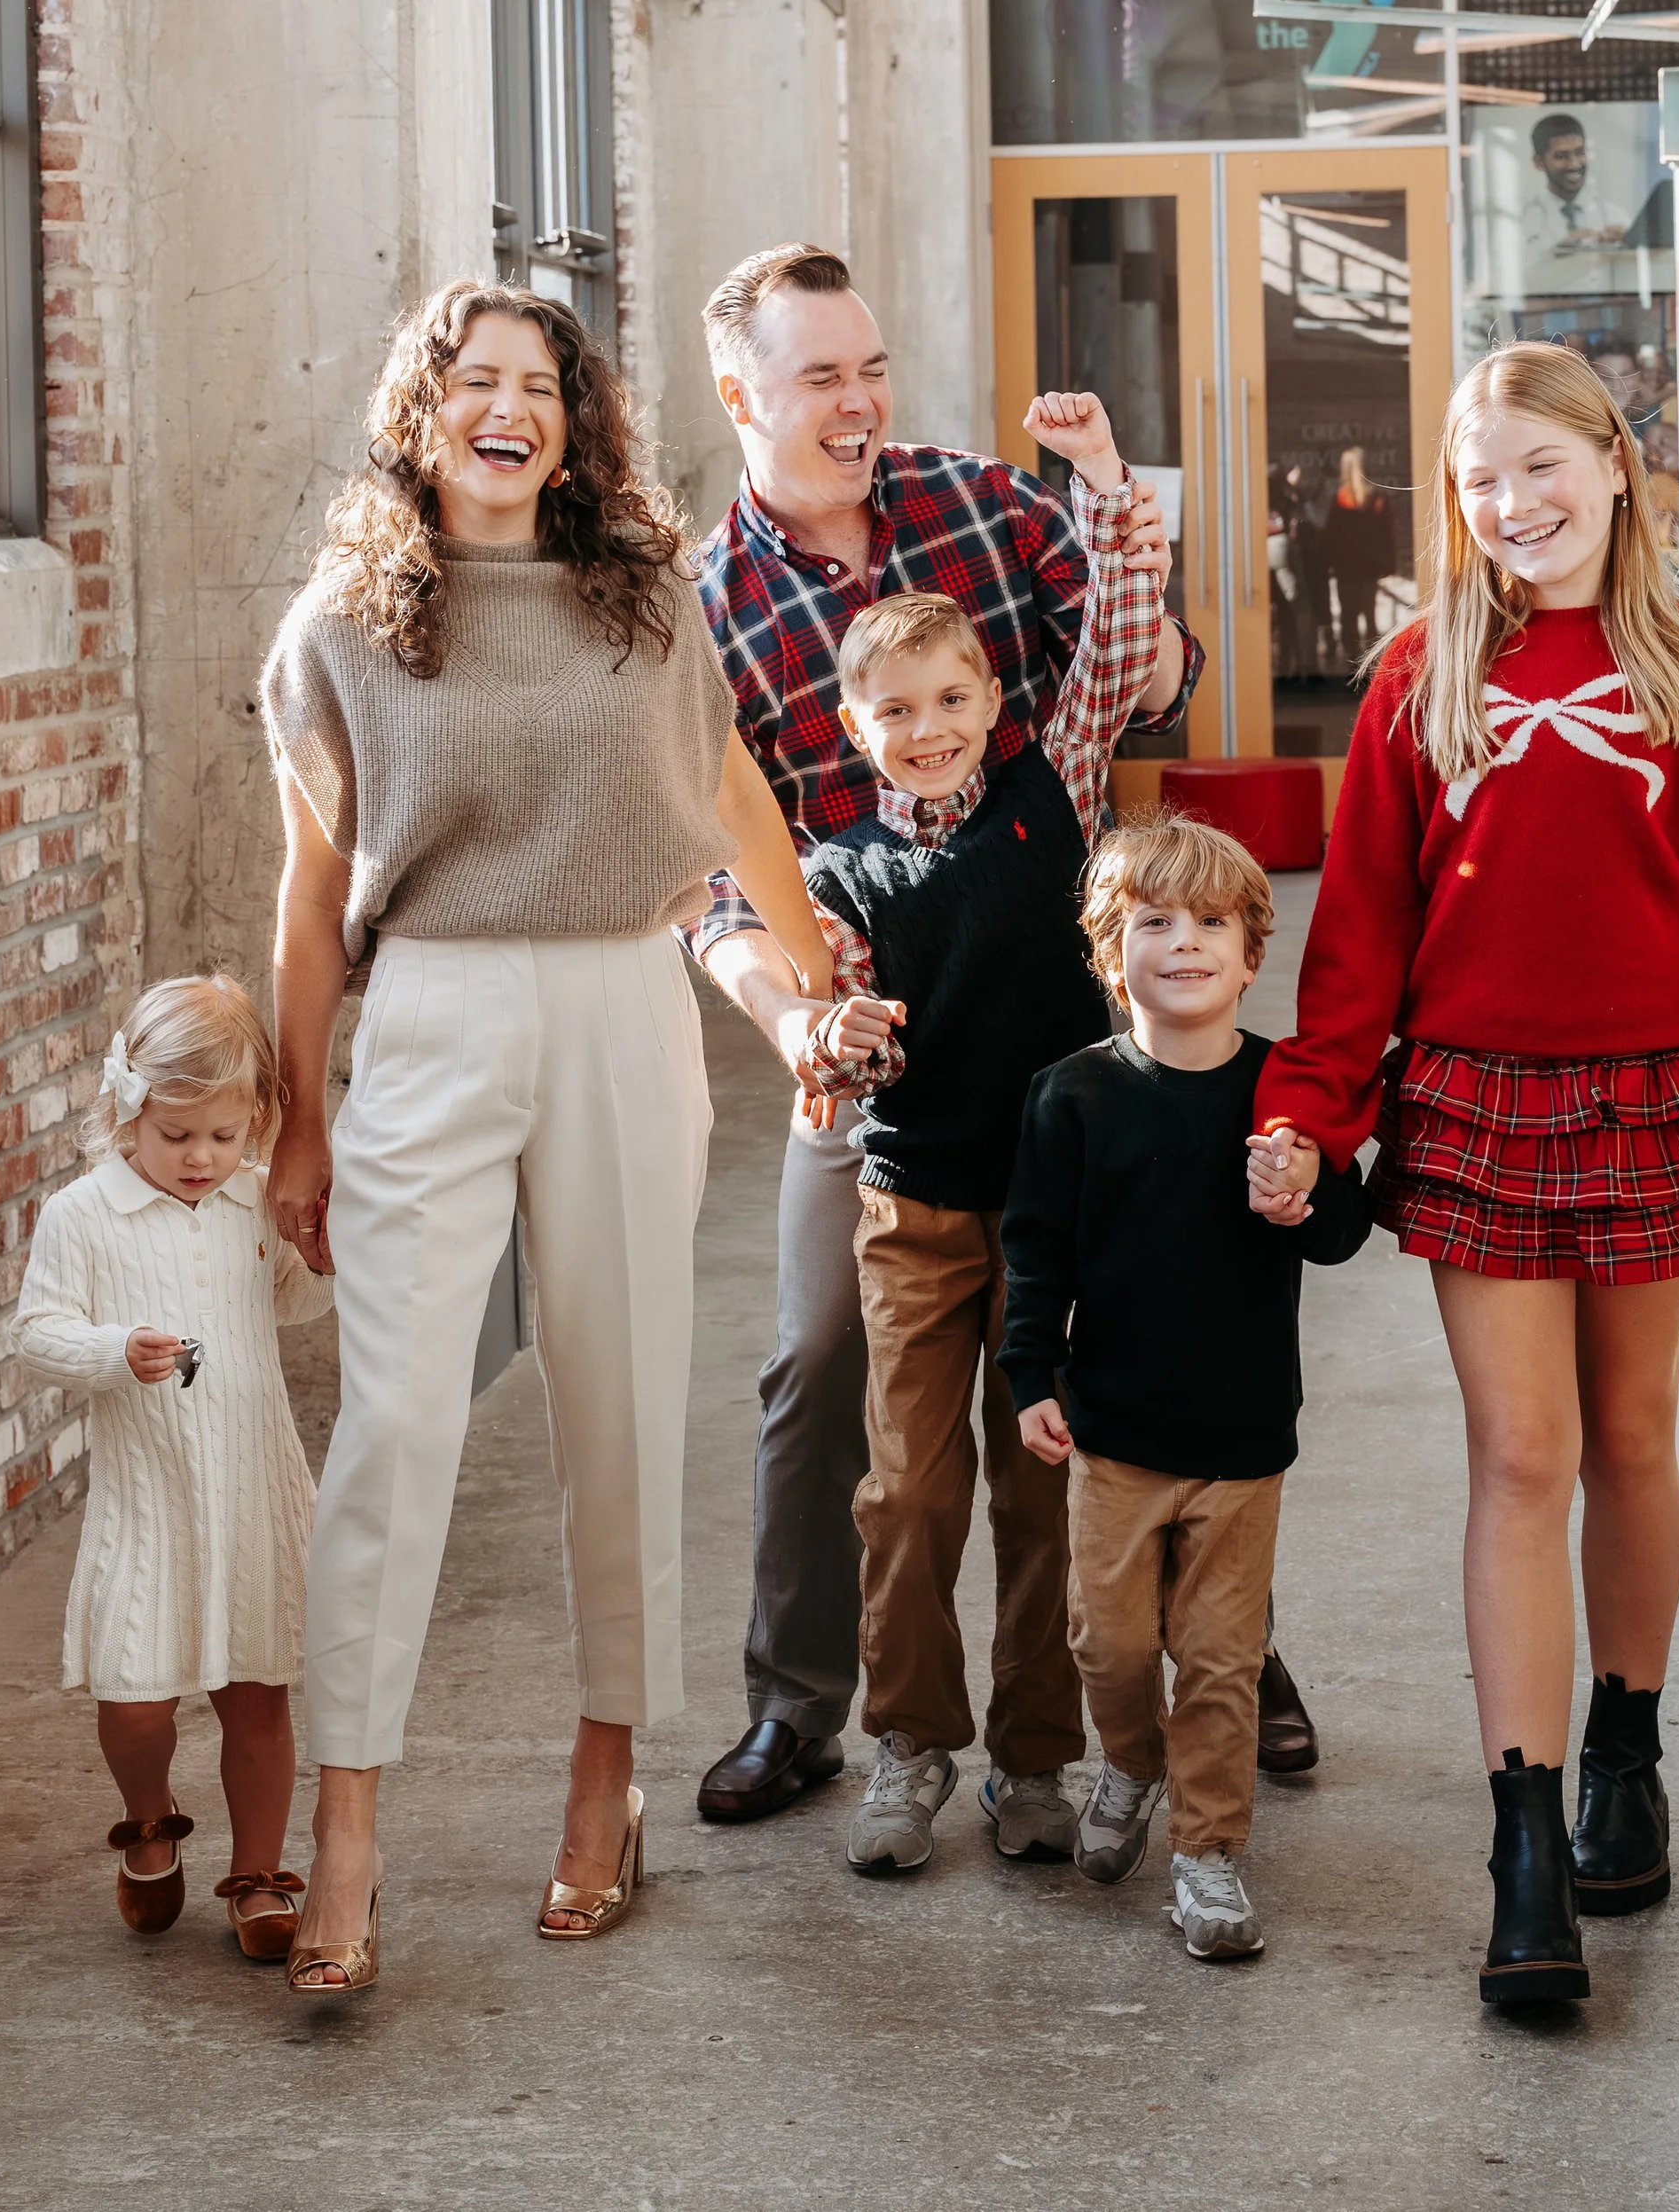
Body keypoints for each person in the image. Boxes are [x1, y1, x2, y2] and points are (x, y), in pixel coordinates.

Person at [683, 244, 1348, 1827]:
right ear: (739, 397)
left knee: (1136, 1335)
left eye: (870, 368)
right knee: (820, 1363)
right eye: (817, 379)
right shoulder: (704, 609)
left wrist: (1136, 587)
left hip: (1064, 1042)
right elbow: (705, 879)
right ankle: (802, 1709)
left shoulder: (982, 506)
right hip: (871, 1051)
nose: (857, 404)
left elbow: (1147, 677)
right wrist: (794, 1013)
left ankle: (1215, 1652)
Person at [261, 280, 828, 1991]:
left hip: (616, 996)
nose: (511, 409)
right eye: (477, 381)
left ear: (574, 422)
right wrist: (303, 1122)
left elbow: (732, 798)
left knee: (620, 1402)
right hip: (428, 1008)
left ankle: (608, 1780)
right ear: (422, 412)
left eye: (542, 387)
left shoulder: (646, 600)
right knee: (395, 1425)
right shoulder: (344, 625)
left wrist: (815, 978)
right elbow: (306, 895)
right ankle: (345, 1829)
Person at [1254, 341, 1679, 2008]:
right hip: (1476, 1103)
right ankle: (1523, 1839)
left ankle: (1623, 1750)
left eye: (1541, 467)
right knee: (1521, 1456)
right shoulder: (1418, 676)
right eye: (1481, 479)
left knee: (1630, 1438)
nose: (1514, 505)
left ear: (1617, 467)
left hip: (1659, 1100)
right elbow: (1358, 933)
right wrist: (1312, 1107)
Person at [735, 388, 1161, 1877]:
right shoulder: (836, 869)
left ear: (996, 703)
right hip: (915, 1210)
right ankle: (910, 1745)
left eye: (953, 701)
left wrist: (1104, 483)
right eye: (895, 712)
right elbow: (833, 1025)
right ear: (852, 732)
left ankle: (1037, 1760)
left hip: (1056, 1208)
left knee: (1040, 1482)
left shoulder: (1057, 789)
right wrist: (836, 1039)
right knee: (907, 1490)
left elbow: (1113, 630)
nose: (928, 730)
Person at [1000, 820, 1372, 1963]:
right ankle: (1128, 1761)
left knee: (1218, 1662)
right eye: (1154, 923)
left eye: (1211, 923)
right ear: (1114, 954)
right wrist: (1029, 1373)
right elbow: (1034, 1253)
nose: (1186, 944)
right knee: (1107, 1646)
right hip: (1114, 1434)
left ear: (1252, 954)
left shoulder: (1285, 1094)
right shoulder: (1071, 1096)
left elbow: (1348, 1231)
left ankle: (1207, 1855)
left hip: (1242, 1439)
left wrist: (1300, 1197)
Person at [12, 975, 333, 1959]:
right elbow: (36, 1334)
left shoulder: (249, 1201)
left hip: (250, 1485)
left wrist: (321, 1253)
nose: (202, 1158)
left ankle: (258, 1871)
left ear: (256, 1126)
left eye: (226, 1137)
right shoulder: (84, 1216)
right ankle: (148, 1826)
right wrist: (114, 1352)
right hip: (148, 1501)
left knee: (258, 1690)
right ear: (127, 1112)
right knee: (136, 1699)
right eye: (177, 1135)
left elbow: (293, 1304)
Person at [1518, 113, 1628, 292]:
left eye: (1579, 153)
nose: (1574, 164)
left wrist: (1626, 246)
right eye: (1562, 156)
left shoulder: (1615, 214)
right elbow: (1516, 281)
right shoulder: (1522, 220)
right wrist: (1559, 252)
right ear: (1538, 162)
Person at [1325, 445, 1396, 663]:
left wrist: (1329, 563)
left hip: (1346, 568)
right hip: (1370, 566)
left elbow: (1331, 537)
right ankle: (1373, 664)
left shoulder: (1339, 500)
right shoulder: (1378, 499)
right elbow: (1387, 535)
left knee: (1349, 616)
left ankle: (1351, 663)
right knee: (1370, 615)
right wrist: (1388, 563)